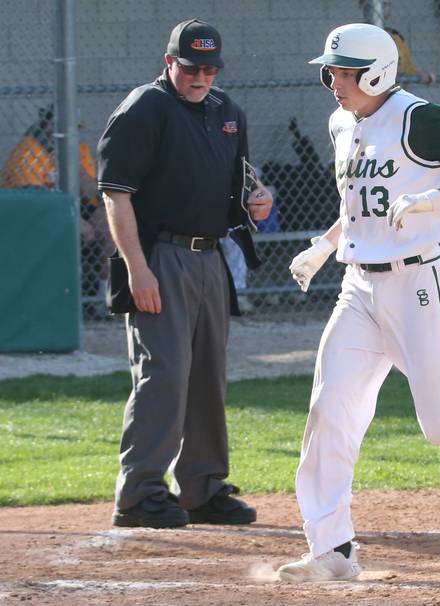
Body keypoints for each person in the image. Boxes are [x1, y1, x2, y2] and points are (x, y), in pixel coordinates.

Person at [276, 22, 440, 582]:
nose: (335, 81)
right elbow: (358, 203)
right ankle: (331, 550)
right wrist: (324, 246)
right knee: (329, 410)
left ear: (378, 71)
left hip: (416, 284)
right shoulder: (340, 122)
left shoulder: (417, 118)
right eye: (332, 71)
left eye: (346, 72)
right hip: (357, 284)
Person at [96, 19, 272, 529]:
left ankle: (202, 487)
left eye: (210, 68)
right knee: (164, 375)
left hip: (211, 257)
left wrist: (256, 202)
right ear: (169, 62)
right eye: (191, 66)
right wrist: (137, 269)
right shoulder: (144, 107)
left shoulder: (226, 112)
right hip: (160, 257)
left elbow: (242, 185)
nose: (201, 77)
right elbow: (115, 194)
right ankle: (140, 493)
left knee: (206, 376)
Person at [1, 106, 114, 295]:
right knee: (70, 228)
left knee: (108, 225)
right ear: (47, 126)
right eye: (64, 127)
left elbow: (92, 194)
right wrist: (72, 219)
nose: (72, 133)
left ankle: (104, 297)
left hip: (73, 208)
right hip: (30, 214)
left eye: (75, 128)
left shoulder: (78, 149)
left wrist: (78, 171)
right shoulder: (28, 151)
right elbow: (34, 200)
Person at [359, 0, 437, 85]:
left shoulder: (396, 38)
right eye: (377, 4)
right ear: (362, 4)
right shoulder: (353, 37)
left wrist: (420, 75)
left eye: (385, 4)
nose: (380, 9)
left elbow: (408, 70)